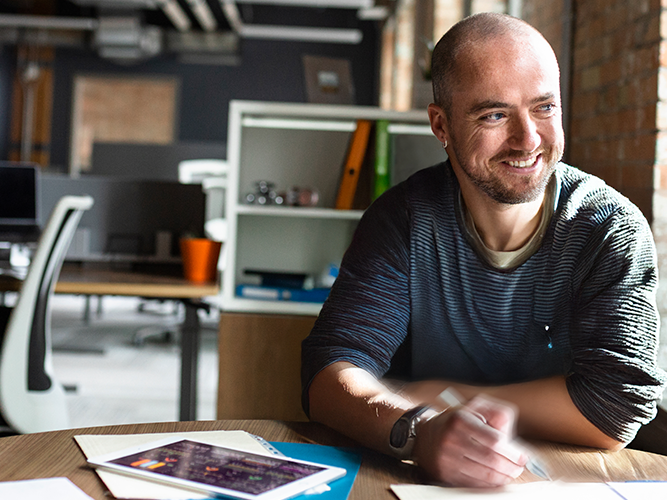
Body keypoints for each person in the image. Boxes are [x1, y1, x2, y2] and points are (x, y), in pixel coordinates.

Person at [300, 12, 667, 488]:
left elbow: (615, 409)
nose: (528, 139)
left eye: (545, 108)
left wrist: (433, 398)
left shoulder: (609, 229)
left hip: (566, 483)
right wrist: (421, 430)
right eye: (495, 114)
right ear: (441, 125)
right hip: (417, 481)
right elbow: (329, 373)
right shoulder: (403, 219)